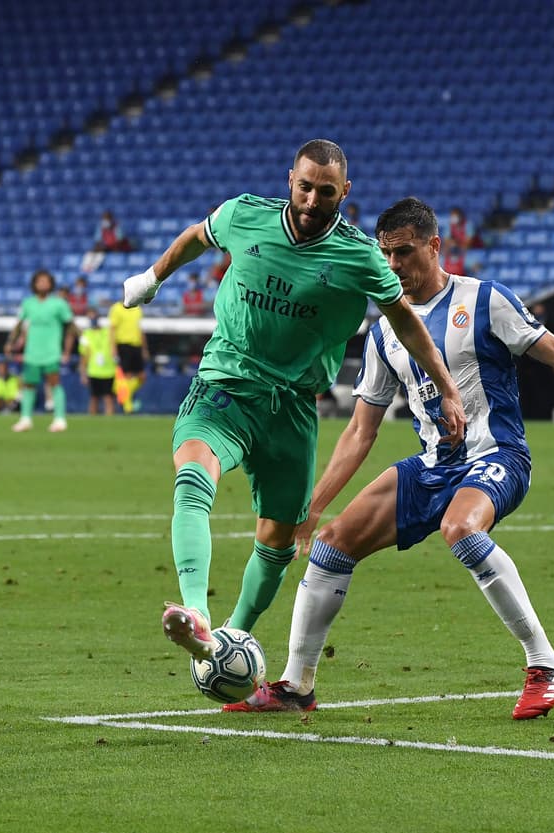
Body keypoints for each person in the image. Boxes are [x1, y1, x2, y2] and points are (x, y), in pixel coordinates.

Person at [223, 197, 554, 718]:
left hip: (498, 456)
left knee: (461, 528)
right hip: (432, 466)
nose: (395, 265)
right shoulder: (385, 330)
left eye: (404, 252)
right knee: (332, 546)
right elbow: (362, 428)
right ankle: (296, 686)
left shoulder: (486, 299)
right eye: (386, 255)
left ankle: (545, 662)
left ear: (434, 245)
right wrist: (311, 509)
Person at [119, 142, 466, 670]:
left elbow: (404, 320)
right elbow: (195, 237)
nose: (311, 200)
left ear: (343, 193)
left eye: (325, 192)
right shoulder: (244, 215)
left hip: (293, 408)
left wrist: (446, 385)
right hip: (226, 384)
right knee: (193, 475)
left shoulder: (360, 256)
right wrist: (151, 279)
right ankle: (194, 612)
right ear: (290, 180)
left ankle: (229, 638)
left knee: (278, 538)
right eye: (304, 187)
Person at [4, 269, 76, 432]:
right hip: (32, 352)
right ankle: (26, 418)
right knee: (28, 385)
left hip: (51, 351)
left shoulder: (59, 304)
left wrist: (67, 350)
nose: (42, 284)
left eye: (45, 281)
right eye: (39, 281)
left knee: (54, 383)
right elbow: (19, 325)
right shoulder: (28, 303)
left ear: (51, 284)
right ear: (34, 284)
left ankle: (59, 419)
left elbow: (70, 327)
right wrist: (10, 342)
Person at [109, 296, 149, 413]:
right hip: (123, 345)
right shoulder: (116, 308)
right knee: (126, 376)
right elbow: (112, 329)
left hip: (136, 345)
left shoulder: (137, 309)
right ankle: (127, 406)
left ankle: (125, 397)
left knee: (141, 376)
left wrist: (144, 348)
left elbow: (140, 330)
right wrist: (113, 348)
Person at [79, 307, 117, 415]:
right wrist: (83, 373)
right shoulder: (86, 335)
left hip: (108, 370)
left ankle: (109, 422)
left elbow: (114, 348)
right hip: (93, 370)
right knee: (94, 398)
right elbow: (84, 355)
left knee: (108, 397)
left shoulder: (108, 332)